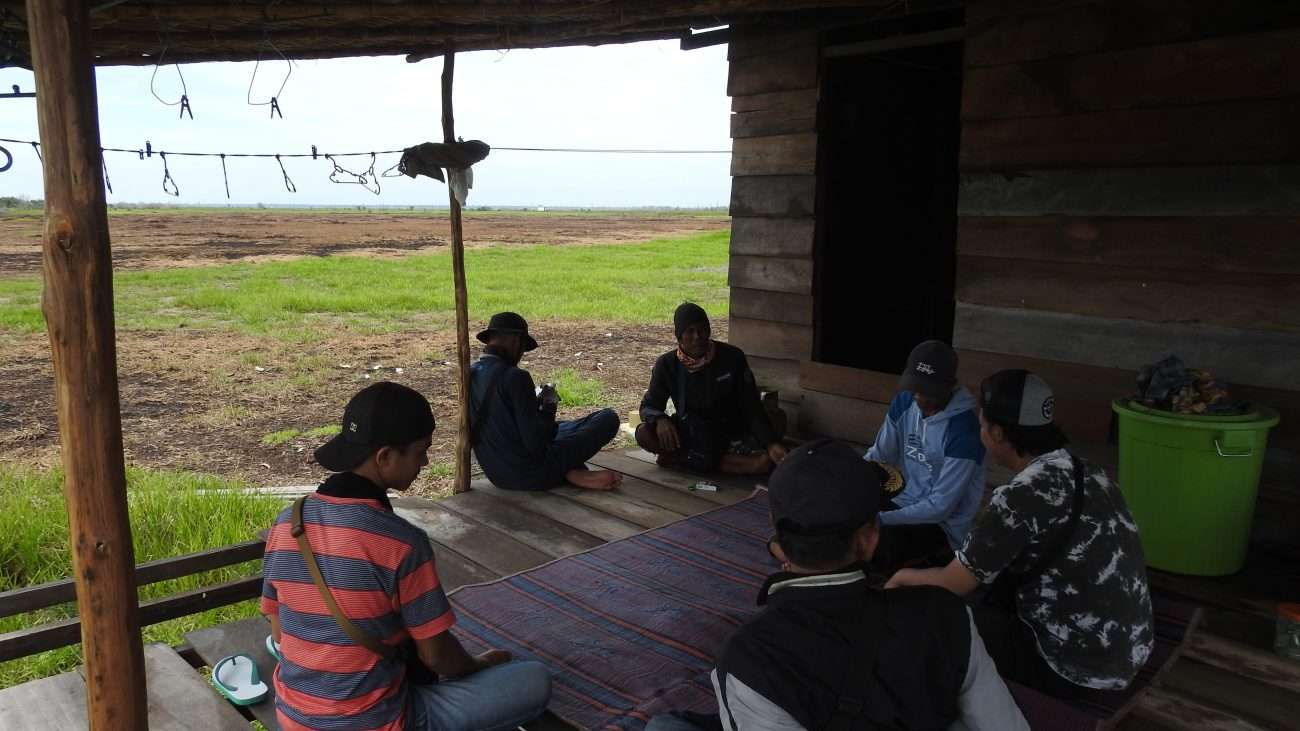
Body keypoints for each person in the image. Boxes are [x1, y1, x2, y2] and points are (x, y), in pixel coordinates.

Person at [647, 439, 1027, 731]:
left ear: (779, 541)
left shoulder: (751, 658)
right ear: (869, 539)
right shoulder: (948, 615)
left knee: (664, 726)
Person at [261, 381, 552, 731]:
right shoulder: (401, 543)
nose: (425, 462)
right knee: (534, 680)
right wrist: (478, 665)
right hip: (377, 723)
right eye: (420, 452)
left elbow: (279, 629)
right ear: (384, 457)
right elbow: (437, 657)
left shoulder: (289, 522)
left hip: (294, 717)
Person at [887, 370, 1155, 700]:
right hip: (1130, 651)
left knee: (940, 617)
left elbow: (952, 584)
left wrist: (901, 578)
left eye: (982, 423)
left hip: (1073, 667)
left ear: (997, 432)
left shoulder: (1020, 497)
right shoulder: (1093, 472)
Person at [864, 340, 985, 572]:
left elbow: (940, 507)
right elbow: (879, 456)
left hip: (941, 525)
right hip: (900, 501)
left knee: (877, 545)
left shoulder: (965, 431)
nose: (920, 397)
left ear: (951, 386)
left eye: (930, 392)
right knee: (845, 521)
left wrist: (880, 519)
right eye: (915, 389)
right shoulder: (904, 402)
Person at [470, 311, 623, 491]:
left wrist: (532, 406)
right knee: (607, 418)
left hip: (497, 474)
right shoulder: (516, 377)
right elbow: (537, 444)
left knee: (564, 427)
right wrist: (548, 407)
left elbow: (505, 421)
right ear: (516, 342)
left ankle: (572, 473)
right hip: (529, 473)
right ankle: (567, 472)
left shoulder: (471, 372)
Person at [636, 302, 787, 474]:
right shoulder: (667, 364)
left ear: (709, 330)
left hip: (728, 430)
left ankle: (681, 459)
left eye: (702, 329)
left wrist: (770, 443)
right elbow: (648, 406)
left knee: (776, 422)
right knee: (643, 432)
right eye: (690, 331)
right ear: (679, 337)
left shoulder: (732, 357)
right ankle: (725, 463)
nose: (697, 337)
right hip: (691, 431)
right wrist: (660, 420)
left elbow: (751, 405)